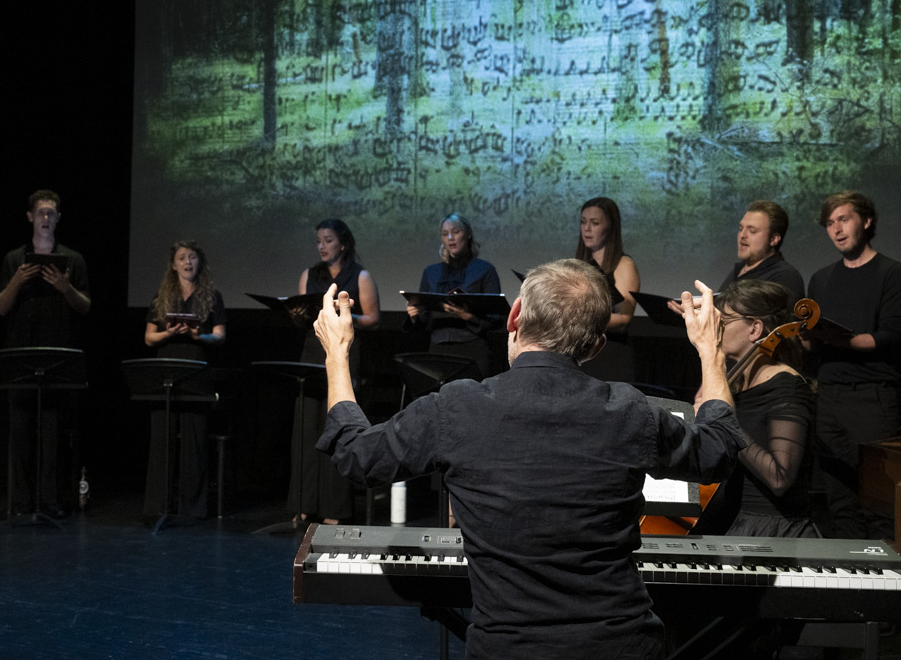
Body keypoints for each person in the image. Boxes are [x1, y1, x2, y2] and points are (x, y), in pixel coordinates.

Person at [313, 261, 744, 659]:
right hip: (622, 646)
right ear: (596, 345)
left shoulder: (456, 408)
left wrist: (337, 352)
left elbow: (356, 456)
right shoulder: (631, 411)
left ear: (514, 315)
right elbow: (719, 449)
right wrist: (710, 350)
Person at [806, 190, 901, 539]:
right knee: (840, 504)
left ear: (866, 221)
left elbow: (890, 335)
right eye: (830, 223)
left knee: (879, 504)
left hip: (871, 398)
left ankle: (884, 571)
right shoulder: (821, 278)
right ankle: (848, 571)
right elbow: (812, 342)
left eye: (844, 219)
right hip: (830, 398)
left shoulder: (892, 273)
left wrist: (841, 340)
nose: (836, 229)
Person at [695, 280, 817, 538]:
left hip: (771, 531)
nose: (716, 328)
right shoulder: (736, 381)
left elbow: (780, 478)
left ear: (755, 328)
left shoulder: (787, 387)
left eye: (724, 321)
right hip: (729, 520)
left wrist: (723, 422)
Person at [0, 190, 90, 516]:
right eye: (40, 213)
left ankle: (51, 500)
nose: (46, 219)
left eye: (51, 213)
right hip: (21, 352)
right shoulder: (14, 259)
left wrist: (65, 287)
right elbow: (0, 307)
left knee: (53, 432)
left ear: (58, 218)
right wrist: (17, 281)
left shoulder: (73, 259)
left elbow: (85, 306)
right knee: (21, 430)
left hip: (57, 352)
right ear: (30, 217)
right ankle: (21, 502)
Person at [290, 218, 380, 525]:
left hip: (343, 352)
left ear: (342, 243)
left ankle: (335, 510)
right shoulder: (309, 274)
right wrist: (298, 313)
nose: (322, 246)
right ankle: (304, 504)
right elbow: (303, 316)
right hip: (313, 352)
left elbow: (373, 319)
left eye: (328, 240)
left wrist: (344, 315)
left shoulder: (360, 275)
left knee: (337, 427)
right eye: (318, 241)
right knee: (307, 430)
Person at [143, 240, 227, 519]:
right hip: (166, 367)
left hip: (195, 366)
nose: (187, 262)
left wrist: (198, 335)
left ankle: (192, 508)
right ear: (173, 264)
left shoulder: (212, 296)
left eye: (192, 257)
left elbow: (220, 335)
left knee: (195, 438)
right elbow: (149, 337)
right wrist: (168, 333)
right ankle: (158, 506)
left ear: (199, 262)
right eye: (182, 257)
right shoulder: (162, 296)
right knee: (162, 438)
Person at [403, 213, 502, 376]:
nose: (450, 238)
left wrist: (466, 316)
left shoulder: (485, 270)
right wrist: (415, 316)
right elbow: (425, 322)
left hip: (472, 347)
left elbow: (496, 319)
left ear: (468, 234)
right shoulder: (431, 272)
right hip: (438, 348)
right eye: (445, 234)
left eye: (456, 232)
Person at [575, 197, 641, 381]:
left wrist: (579, 318)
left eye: (595, 223)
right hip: (580, 353)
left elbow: (624, 319)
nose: (587, 228)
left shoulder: (624, 264)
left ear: (611, 227)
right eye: (583, 222)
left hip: (610, 356)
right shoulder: (580, 264)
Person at [717, 200, 805, 307]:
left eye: (752, 231)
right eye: (741, 229)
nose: (742, 235)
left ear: (774, 239)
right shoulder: (739, 270)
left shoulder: (785, 277)